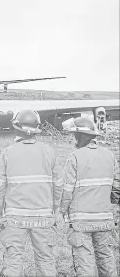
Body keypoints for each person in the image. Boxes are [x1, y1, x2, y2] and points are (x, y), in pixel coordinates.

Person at [0, 109, 63, 277]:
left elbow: (0, 185)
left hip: (15, 218)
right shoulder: (49, 151)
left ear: (16, 128)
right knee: (46, 261)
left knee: (13, 262)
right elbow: (58, 184)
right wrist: (56, 208)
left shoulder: (8, 152)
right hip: (44, 218)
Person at [59, 117, 119, 277]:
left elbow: (66, 191)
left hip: (81, 223)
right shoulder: (109, 156)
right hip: (105, 220)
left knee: (84, 262)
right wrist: (108, 202)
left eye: (74, 135)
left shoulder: (75, 157)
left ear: (80, 136)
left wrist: (61, 212)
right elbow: (117, 188)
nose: (73, 138)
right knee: (106, 259)